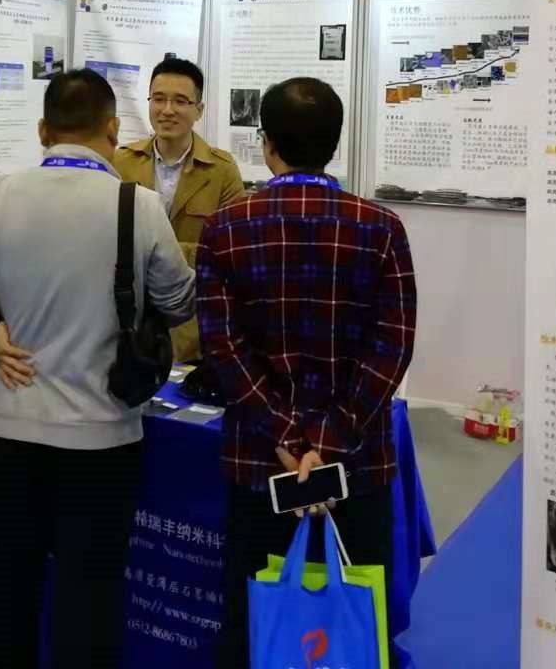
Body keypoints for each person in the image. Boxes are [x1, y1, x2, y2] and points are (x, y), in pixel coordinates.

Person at [0, 68, 195, 669]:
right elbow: (180, 303)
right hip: (103, 433)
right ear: (113, 130)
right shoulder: (137, 205)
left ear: (42, 130)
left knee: (7, 581)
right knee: (90, 588)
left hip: (15, 428)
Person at [196, 77, 417, 669]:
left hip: (260, 462)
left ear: (265, 143)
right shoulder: (381, 227)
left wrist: (285, 437)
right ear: (336, 143)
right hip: (356, 462)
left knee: (258, 620)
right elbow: (392, 348)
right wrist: (328, 442)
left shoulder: (225, 227)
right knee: (355, 620)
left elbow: (222, 347)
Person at [113, 56, 244, 362]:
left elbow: (232, 252)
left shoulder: (222, 170)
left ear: (199, 109)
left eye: (180, 101)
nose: (167, 110)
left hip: (194, 324)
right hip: (130, 320)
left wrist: (156, 253)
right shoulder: (121, 162)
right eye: (158, 99)